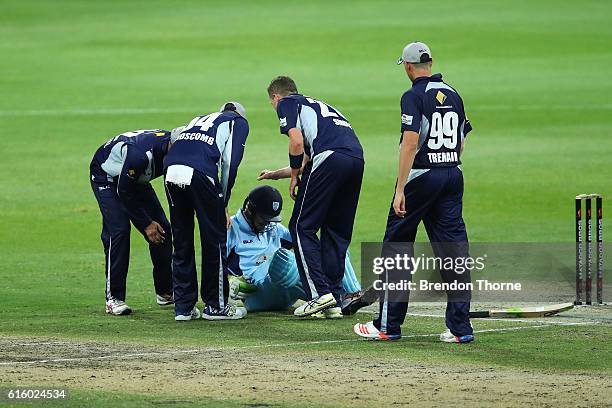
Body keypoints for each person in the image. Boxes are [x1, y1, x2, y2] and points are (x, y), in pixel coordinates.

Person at [353, 42, 474, 342]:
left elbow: (410, 142)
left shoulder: (413, 96)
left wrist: (400, 188)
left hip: (422, 177)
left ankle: (387, 325)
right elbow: (461, 139)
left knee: (396, 247)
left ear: (408, 67)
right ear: (430, 63)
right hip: (452, 174)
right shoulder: (454, 93)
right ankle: (460, 329)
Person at [261, 76, 364, 318]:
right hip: (356, 159)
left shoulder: (287, 103)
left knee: (300, 226)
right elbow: (309, 157)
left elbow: (296, 142)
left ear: (276, 97)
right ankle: (335, 300)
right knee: (335, 231)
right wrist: (280, 174)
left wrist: (295, 175)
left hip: (329, 159)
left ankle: (319, 294)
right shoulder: (320, 106)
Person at [226, 185, 374, 317]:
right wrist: (232, 281)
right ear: (250, 210)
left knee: (330, 247)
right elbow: (216, 262)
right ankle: (328, 297)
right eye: (263, 220)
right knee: (283, 262)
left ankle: (348, 296)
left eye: (270, 221)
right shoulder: (232, 227)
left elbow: (306, 244)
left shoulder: (273, 228)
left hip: (286, 293)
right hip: (256, 294)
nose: (267, 225)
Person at [164, 102, 249, 321]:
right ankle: (216, 306)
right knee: (215, 239)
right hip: (199, 173)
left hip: (171, 171)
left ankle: (183, 307)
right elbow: (230, 162)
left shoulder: (200, 118)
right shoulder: (238, 122)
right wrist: (224, 202)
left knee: (182, 239)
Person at [90, 128, 179, 315]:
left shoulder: (175, 149)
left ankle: (165, 291)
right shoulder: (140, 155)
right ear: (170, 145)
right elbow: (124, 191)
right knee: (119, 230)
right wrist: (146, 224)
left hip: (134, 178)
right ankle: (113, 298)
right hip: (107, 176)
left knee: (163, 228)